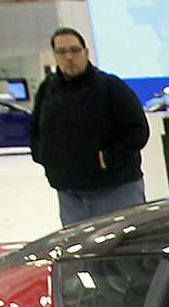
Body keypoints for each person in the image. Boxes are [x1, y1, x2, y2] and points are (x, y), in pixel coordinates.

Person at [28, 28, 149, 227]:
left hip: (115, 190)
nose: (69, 57)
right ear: (54, 56)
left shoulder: (111, 87)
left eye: (75, 50)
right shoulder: (47, 89)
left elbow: (138, 131)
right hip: (69, 193)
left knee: (123, 251)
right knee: (80, 254)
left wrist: (108, 158)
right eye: (62, 51)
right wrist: (44, 156)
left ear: (86, 52)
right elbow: (35, 129)